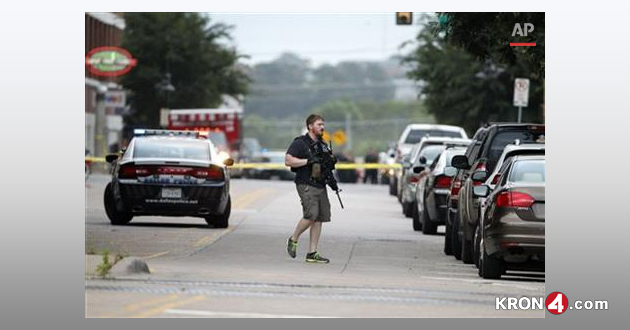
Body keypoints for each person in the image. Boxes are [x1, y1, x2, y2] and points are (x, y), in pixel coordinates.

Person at [284, 114, 332, 263]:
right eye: (319, 124)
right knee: (311, 214)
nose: (322, 127)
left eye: (323, 124)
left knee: (319, 218)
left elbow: (325, 165)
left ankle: (312, 253)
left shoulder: (323, 144)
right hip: (305, 183)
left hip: (320, 184)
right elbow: (288, 160)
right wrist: (308, 161)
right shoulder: (300, 143)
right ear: (310, 126)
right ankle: (293, 239)